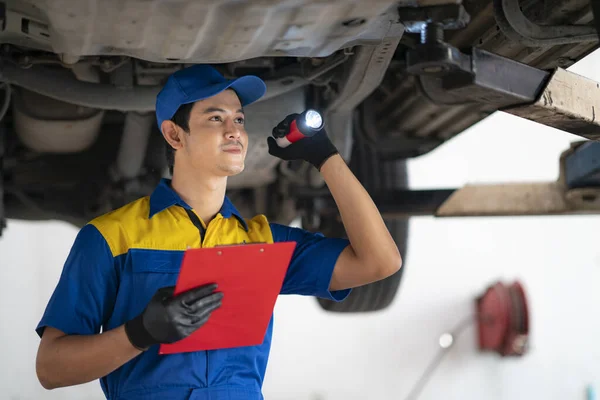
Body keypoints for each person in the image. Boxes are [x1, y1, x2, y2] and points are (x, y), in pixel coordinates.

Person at [34, 64, 402, 400]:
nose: (235, 131)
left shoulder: (264, 242)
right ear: (175, 135)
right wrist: (138, 333)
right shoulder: (110, 238)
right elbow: (50, 368)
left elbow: (379, 261)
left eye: (239, 119)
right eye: (215, 118)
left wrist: (326, 157)